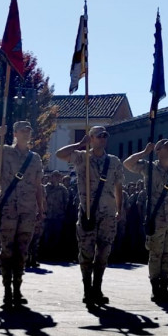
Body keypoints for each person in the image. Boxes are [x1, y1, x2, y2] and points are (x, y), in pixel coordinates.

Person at [0, 121, 46, 308]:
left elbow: (38, 186)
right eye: (23, 131)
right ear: (15, 133)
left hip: (28, 210)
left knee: (22, 251)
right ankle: (7, 290)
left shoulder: (35, 158)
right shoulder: (3, 151)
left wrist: (41, 208)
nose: (26, 134)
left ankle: (18, 289)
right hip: (8, 209)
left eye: (29, 131)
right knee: (7, 250)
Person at [56, 126, 125, 307]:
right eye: (99, 136)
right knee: (86, 251)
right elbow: (59, 154)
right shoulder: (82, 158)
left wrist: (120, 208)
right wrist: (80, 144)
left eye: (105, 136)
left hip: (108, 213)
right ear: (91, 138)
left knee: (103, 252)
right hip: (88, 212)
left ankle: (97, 288)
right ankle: (87, 289)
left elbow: (119, 186)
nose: (102, 139)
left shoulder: (114, 161)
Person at [124, 138, 168, 304]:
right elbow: (128, 164)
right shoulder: (149, 168)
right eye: (166, 146)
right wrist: (144, 153)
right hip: (156, 218)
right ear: (158, 151)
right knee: (156, 253)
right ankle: (155, 287)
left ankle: (164, 286)